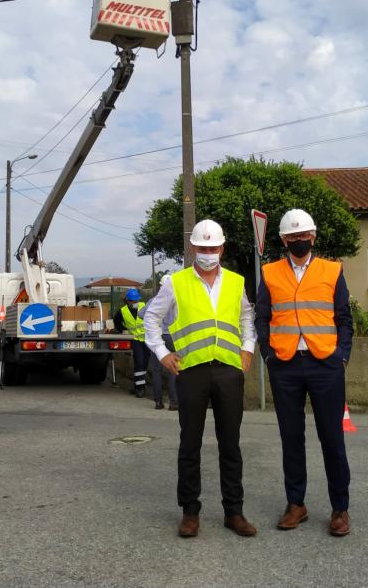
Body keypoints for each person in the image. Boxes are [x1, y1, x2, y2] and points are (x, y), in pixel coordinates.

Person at [143, 219, 257, 539]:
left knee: (230, 445)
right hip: (190, 371)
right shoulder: (175, 282)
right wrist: (162, 353)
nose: (208, 253)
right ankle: (190, 512)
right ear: (194, 248)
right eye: (203, 248)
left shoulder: (235, 281)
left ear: (222, 248)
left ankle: (234, 512)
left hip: (228, 371)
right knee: (190, 444)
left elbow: (247, 316)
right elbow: (151, 318)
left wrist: (247, 348)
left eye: (213, 247)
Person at [255, 208, 354, 537]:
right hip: (285, 365)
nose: (299, 241)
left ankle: (340, 509)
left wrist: (342, 356)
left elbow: (343, 317)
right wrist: (268, 355)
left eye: (304, 236)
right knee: (291, 438)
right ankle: (296, 504)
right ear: (284, 240)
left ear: (313, 236)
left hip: (325, 364)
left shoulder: (332, 270)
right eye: (293, 237)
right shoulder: (269, 273)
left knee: (332, 438)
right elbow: (262, 317)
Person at [139, 303, 178, 410]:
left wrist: (155, 320)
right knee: (173, 370)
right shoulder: (176, 298)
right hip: (173, 336)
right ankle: (173, 402)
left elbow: (140, 314)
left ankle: (158, 402)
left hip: (157, 336)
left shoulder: (154, 300)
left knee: (157, 371)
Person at [113, 288, 147, 398]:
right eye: (132, 301)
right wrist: (122, 329)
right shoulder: (123, 311)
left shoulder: (145, 306)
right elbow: (116, 321)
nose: (135, 303)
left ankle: (141, 385)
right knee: (139, 362)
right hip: (135, 339)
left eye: (136, 301)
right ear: (127, 301)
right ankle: (139, 389)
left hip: (147, 339)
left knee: (145, 363)